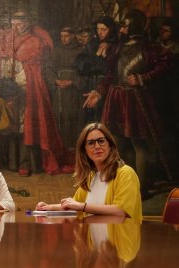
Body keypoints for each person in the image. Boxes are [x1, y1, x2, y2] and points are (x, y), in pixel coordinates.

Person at [0, 3, 72, 176]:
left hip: (27, 89)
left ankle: (26, 164)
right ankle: (9, 162)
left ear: (27, 23)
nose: (15, 27)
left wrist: (14, 82)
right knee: (7, 124)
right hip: (8, 89)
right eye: (13, 24)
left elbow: (26, 67)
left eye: (18, 24)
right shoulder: (6, 36)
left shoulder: (35, 42)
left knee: (25, 127)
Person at [83, 9, 172, 199]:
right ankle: (129, 183)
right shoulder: (117, 48)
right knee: (119, 142)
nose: (121, 29)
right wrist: (98, 92)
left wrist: (143, 77)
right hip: (116, 98)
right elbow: (110, 75)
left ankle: (141, 188)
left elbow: (165, 64)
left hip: (135, 99)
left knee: (139, 143)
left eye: (124, 26)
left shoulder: (149, 49)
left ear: (133, 26)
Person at [36, 122, 142, 222]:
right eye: (91, 143)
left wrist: (83, 206)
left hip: (119, 240)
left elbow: (121, 212)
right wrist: (47, 208)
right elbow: (73, 206)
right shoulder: (90, 176)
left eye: (101, 141)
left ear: (110, 145)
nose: (97, 146)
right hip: (93, 241)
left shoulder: (126, 173)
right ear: (85, 151)